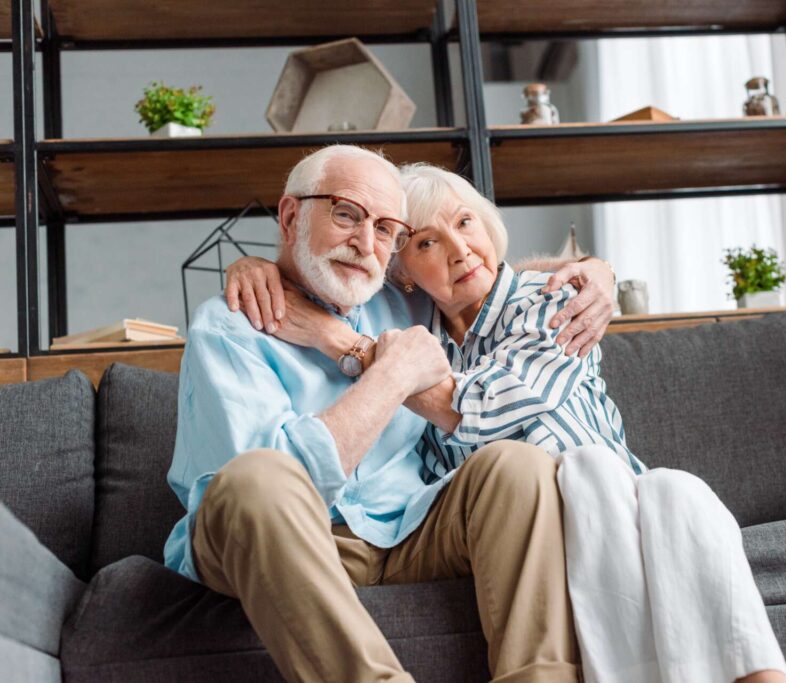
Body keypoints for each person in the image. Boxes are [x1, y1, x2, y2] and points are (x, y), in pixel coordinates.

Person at [228, 162, 786, 683]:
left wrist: (339, 342)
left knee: (658, 487)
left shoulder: (551, 301)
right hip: (522, 533)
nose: (458, 250)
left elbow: (479, 409)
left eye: (466, 222)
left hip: (609, 499)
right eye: (426, 241)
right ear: (402, 272)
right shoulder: (420, 330)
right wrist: (263, 267)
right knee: (592, 479)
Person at [164, 144, 618, 683]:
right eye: (345, 214)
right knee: (256, 478)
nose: (363, 244)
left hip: (406, 530)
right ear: (290, 216)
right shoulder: (231, 325)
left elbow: (479, 273)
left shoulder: (402, 298)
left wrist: (593, 271)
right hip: (286, 536)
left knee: (516, 466)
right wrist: (388, 375)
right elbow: (283, 492)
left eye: (385, 230)